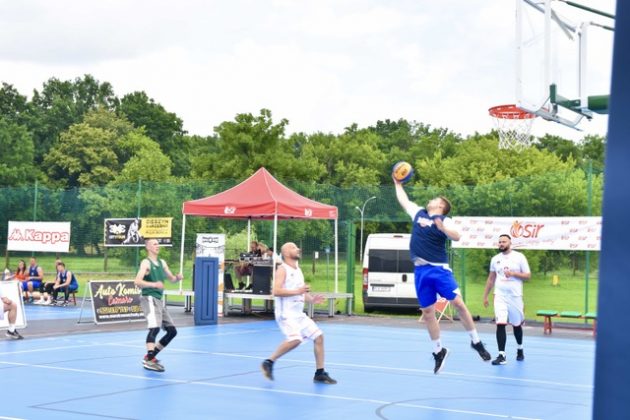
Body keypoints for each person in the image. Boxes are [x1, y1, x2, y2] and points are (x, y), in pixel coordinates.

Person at [394, 178, 491, 374]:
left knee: (458, 303)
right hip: (420, 271)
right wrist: (397, 183)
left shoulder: (445, 220)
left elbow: (457, 236)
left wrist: (443, 229)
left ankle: (476, 341)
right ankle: (439, 351)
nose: (431, 200)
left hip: (439, 270)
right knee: (428, 312)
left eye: (435, 199)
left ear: (440, 205)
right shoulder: (418, 213)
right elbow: (404, 200)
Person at [261, 242, 337, 384]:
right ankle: (269, 362)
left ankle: (320, 372)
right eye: (294, 248)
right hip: (286, 314)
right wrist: (298, 291)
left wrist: (312, 299)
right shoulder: (282, 270)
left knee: (319, 337)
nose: (299, 249)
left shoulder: (298, 270)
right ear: (286, 253)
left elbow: (301, 292)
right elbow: (276, 291)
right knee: (295, 339)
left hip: (298, 314)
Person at [134, 239, 183, 372]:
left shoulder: (162, 262)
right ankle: (149, 360)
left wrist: (177, 278)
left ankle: (150, 356)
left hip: (159, 300)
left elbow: (171, 279)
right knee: (154, 328)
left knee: (172, 331)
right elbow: (137, 281)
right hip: (148, 298)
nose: (157, 246)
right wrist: (153, 284)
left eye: (158, 244)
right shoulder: (146, 263)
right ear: (148, 248)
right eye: (154, 244)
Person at [482, 234, 531, 365]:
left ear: (510, 243)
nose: (501, 244)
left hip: (515, 296)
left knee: (516, 325)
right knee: (501, 323)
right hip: (499, 296)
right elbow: (491, 278)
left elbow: (528, 276)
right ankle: (501, 355)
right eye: (500, 242)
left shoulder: (519, 257)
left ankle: (520, 349)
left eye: (504, 241)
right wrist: (485, 295)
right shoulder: (495, 259)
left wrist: (514, 273)